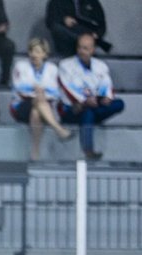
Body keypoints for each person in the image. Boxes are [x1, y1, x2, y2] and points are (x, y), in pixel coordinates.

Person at [57, 31, 125, 160]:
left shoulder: (101, 66)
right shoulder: (65, 65)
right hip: (72, 108)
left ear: (93, 50)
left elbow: (106, 85)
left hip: (94, 105)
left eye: (86, 48)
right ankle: (88, 151)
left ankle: (93, 115)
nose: (82, 51)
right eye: (80, 47)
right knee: (87, 111)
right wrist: (83, 101)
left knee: (119, 104)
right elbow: (68, 89)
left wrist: (107, 97)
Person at [10, 37, 72, 160]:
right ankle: (58, 129)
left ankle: (35, 152)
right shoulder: (20, 66)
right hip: (22, 106)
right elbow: (18, 86)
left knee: (36, 112)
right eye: (32, 51)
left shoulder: (52, 69)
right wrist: (36, 89)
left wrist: (41, 92)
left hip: (43, 105)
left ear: (45, 54)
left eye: (38, 52)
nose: (34, 55)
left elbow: (55, 92)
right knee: (38, 100)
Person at [46, 0, 111, 57]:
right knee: (58, 28)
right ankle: (84, 43)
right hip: (66, 45)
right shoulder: (56, 1)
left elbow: (101, 23)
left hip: (88, 35)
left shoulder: (92, 1)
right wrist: (63, 20)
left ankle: (86, 43)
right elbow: (50, 22)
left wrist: (97, 34)